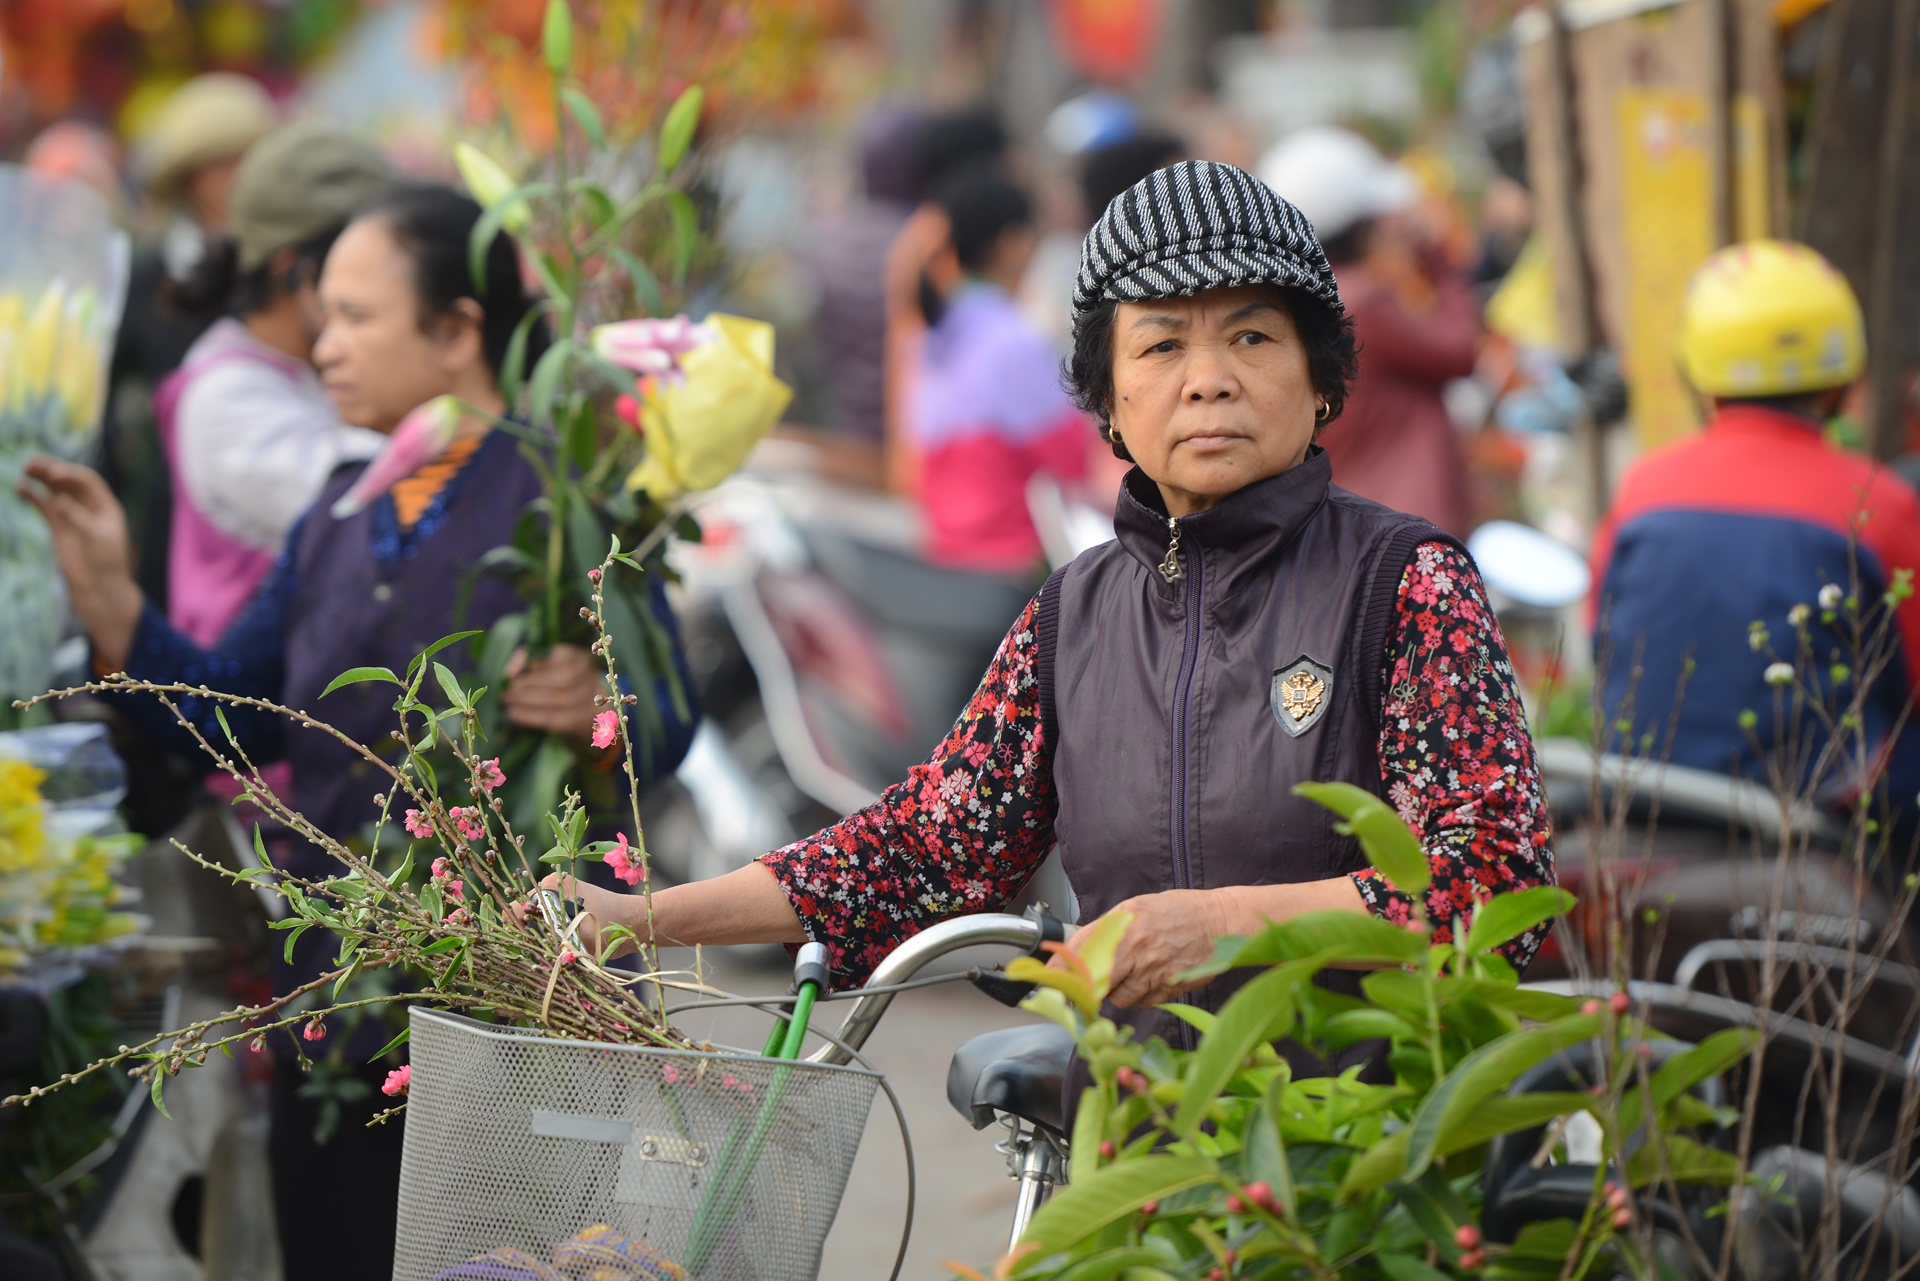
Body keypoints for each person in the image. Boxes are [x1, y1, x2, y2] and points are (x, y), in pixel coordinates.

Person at [542, 162, 1553, 1073]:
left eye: (1252, 335)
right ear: (1108, 399)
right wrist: (643, 918)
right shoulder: (1075, 614)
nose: (1209, 377)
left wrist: (1234, 924)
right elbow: (927, 846)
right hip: (1143, 1172)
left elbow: (1493, 886)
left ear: (1321, 376)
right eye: (1161, 344)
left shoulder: (1405, 584)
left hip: (1365, 1166)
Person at [21, 183, 698, 1281]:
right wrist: (114, 604)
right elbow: (228, 713)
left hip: (510, 1021)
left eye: (356, 317)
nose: (324, 347)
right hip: (338, 1013)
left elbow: (670, 720)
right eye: (321, 317)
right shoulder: (341, 506)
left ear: (456, 330)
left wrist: (603, 713)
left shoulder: (562, 494)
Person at [1592, 240, 1920, 822]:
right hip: (1823, 825)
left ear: (1697, 373)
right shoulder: (1880, 504)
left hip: (1648, 811)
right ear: (1846, 375)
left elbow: (1604, 642)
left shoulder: (1642, 489)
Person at [159, 122, 393, 645]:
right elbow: (374, 503)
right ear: (294, 270)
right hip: (250, 713)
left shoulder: (304, 361)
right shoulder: (226, 395)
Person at [108, 73, 280, 612]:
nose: (237, 178)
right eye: (222, 163)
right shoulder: (153, 275)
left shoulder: (277, 268)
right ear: (189, 177)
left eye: (248, 160)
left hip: (262, 500)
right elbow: (102, 391)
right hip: (174, 501)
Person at [1260, 126, 1480, 537]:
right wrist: (1437, 260)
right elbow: (1461, 349)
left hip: (1343, 521)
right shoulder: (1364, 299)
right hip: (1405, 520)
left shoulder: (1288, 304)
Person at [912, 169, 1092, 573]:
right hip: (1016, 559)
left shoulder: (934, 332)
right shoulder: (1015, 339)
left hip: (945, 549)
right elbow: (1069, 465)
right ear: (1012, 244)